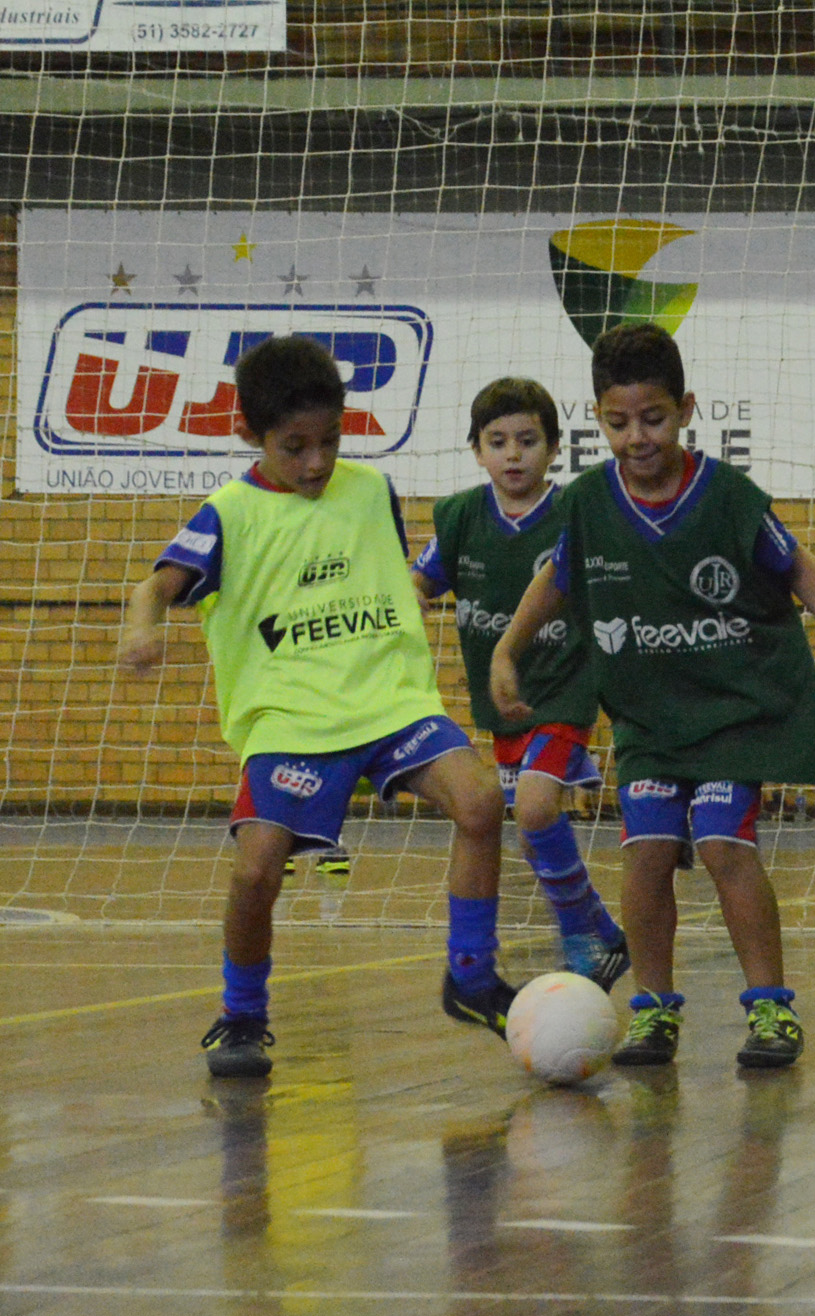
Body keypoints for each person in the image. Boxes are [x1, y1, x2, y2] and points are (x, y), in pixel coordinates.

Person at [117, 335, 514, 1080]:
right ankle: (241, 1014)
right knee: (257, 871)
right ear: (249, 435)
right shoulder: (227, 514)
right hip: (292, 718)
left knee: (482, 802)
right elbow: (155, 587)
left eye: (330, 441)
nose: (317, 463)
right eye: (294, 447)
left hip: (389, 701)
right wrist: (142, 632)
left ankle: (469, 975)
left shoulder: (371, 493)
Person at [488, 322, 815, 1070]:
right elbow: (558, 581)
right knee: (647, 849)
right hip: (650, 713)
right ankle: (654, 1011)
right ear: (598, 418)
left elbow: (793, 563)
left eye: (654, 418)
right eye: (620, 422)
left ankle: (770, 1010)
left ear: (686, 408)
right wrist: (507, 647)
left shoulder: (726, 495)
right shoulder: (591, 504)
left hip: (732, 708)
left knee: (726, 842)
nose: (638, 437)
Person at [411, 377, 629, 989]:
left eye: (528, 440)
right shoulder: (458, 517)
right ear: (476, 449)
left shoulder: (574, 514)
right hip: (501, 703)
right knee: (531, 828)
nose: (513, 454)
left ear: (555, 447)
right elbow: (421, 580)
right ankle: (602, 929)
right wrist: (410, 601)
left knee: (535, 807)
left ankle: (580, 934)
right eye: (498, 441)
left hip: (562, 690)